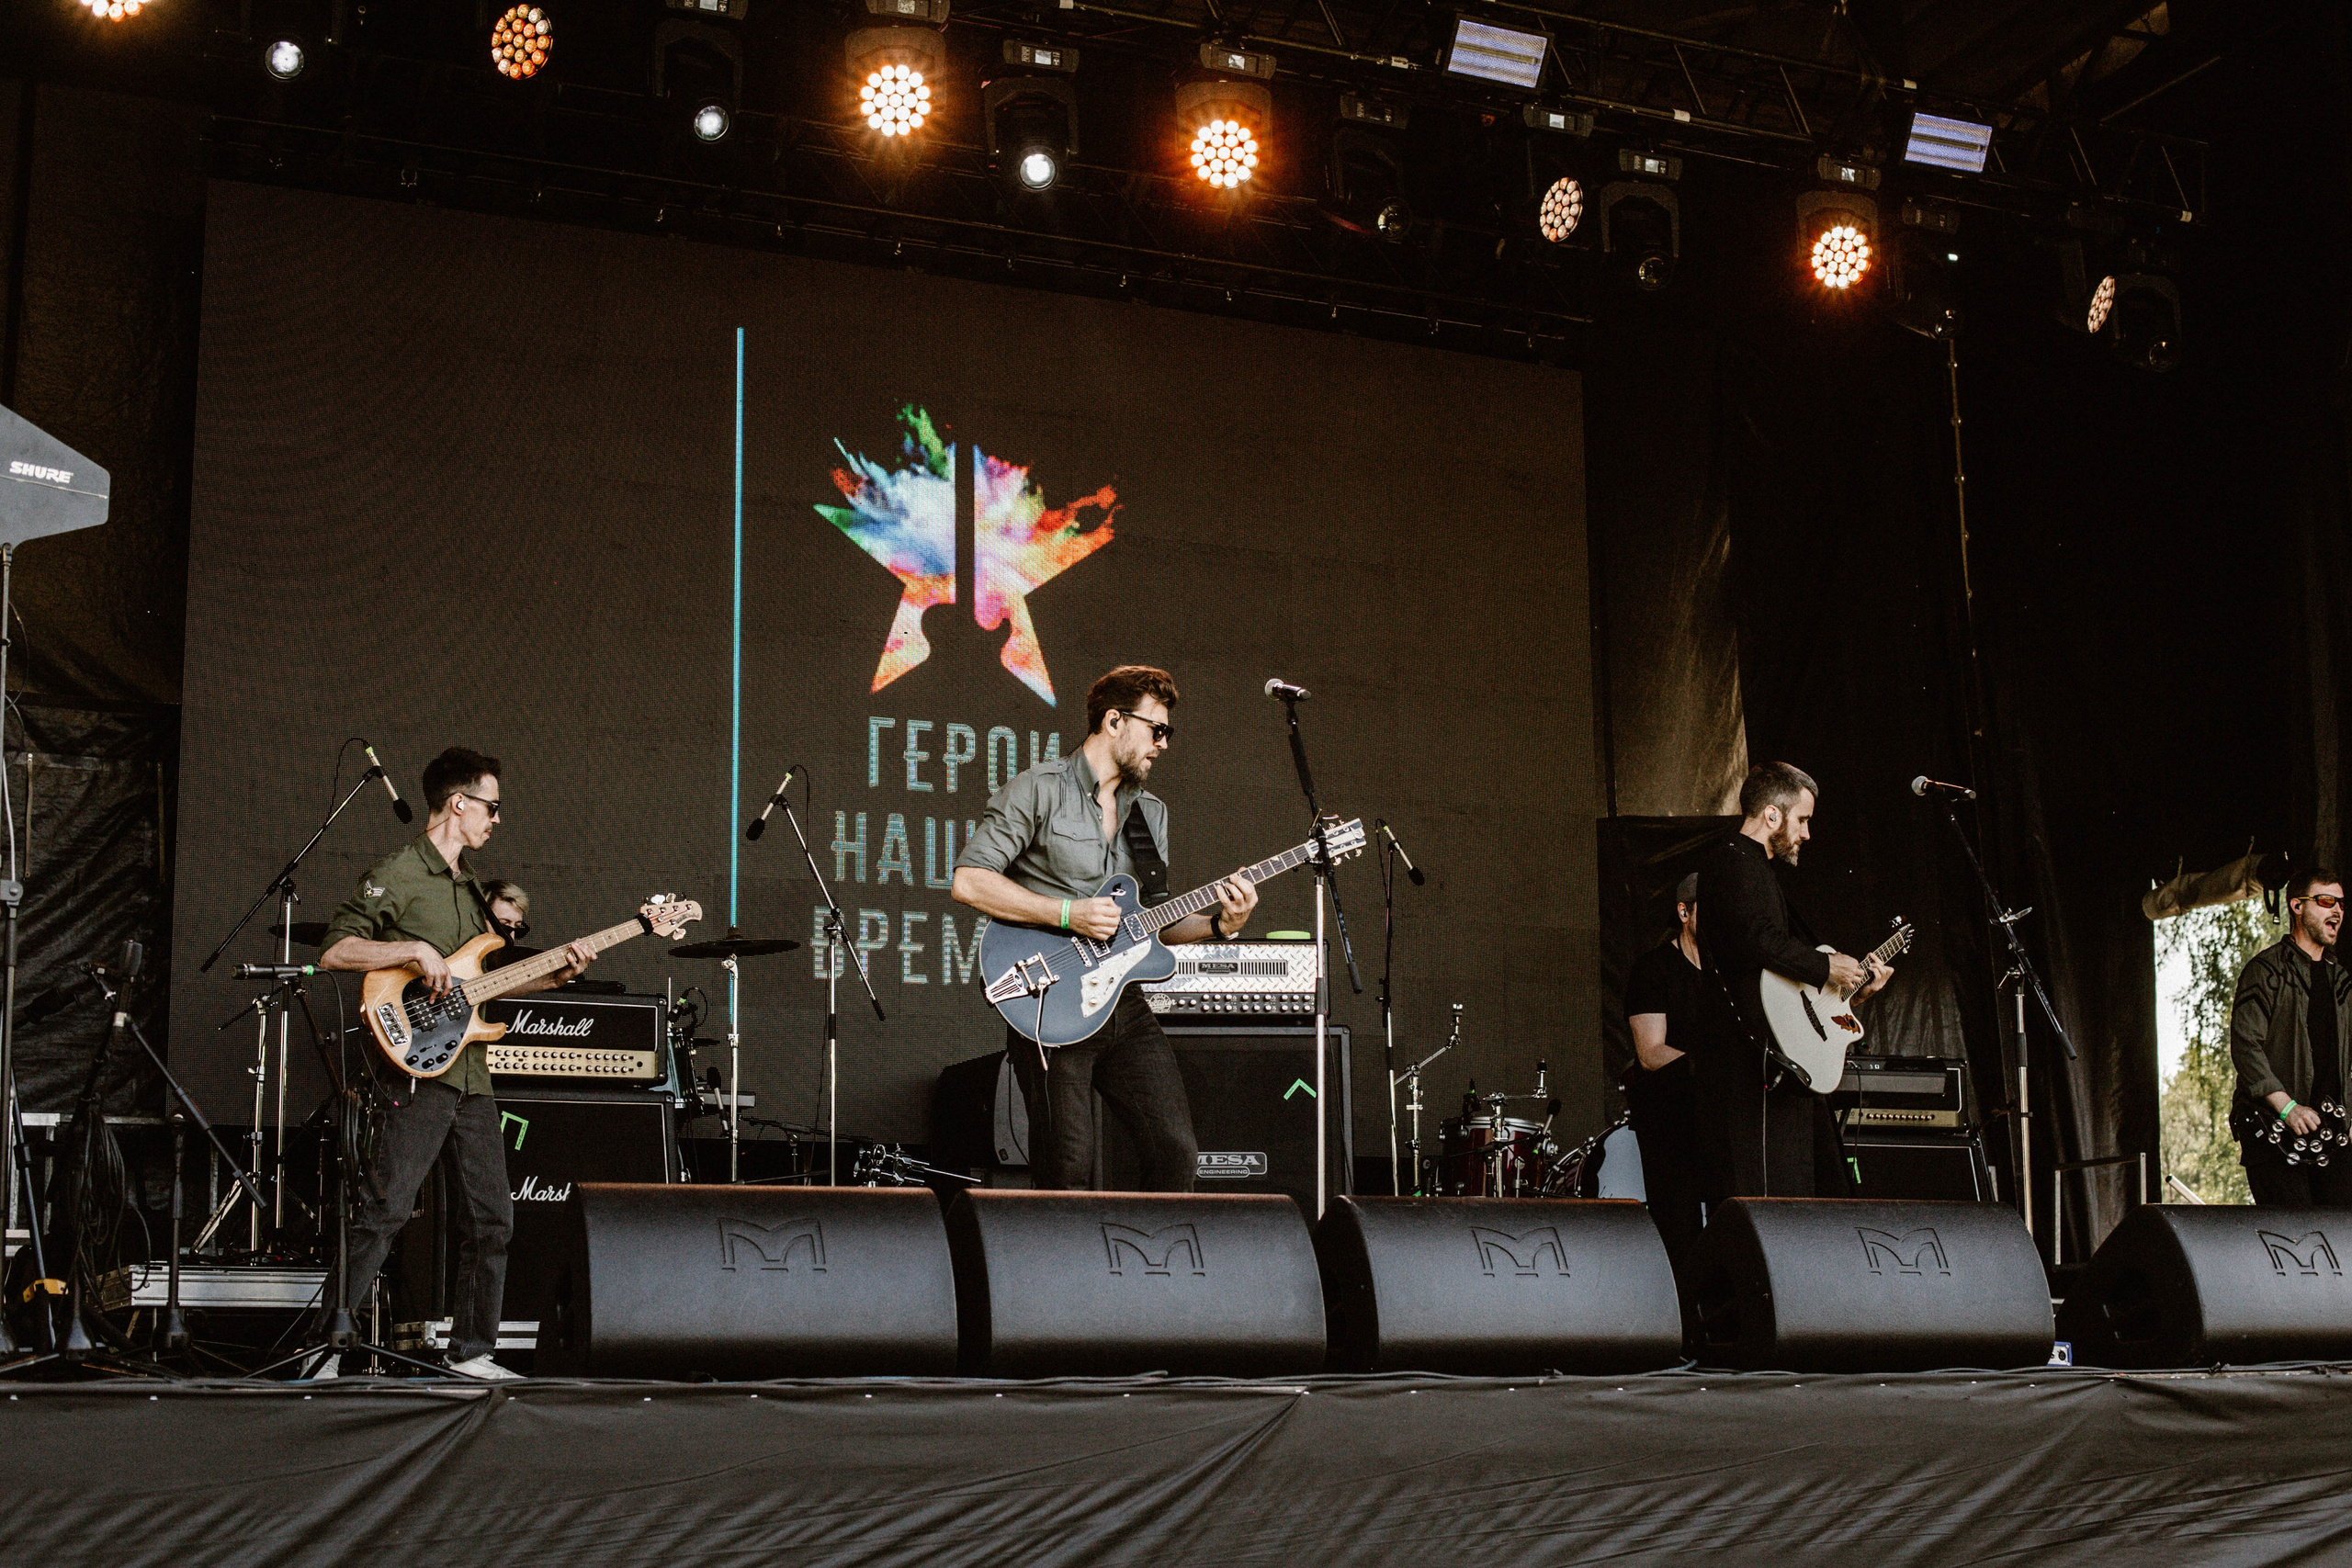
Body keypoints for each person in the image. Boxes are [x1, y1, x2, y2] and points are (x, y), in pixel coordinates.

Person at [312, 748, 595, 1379]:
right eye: (491, 806)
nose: (496, 819)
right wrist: (412, 948)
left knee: (493, 1217)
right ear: (458, 802)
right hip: (415, 1069)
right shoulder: (399, 872)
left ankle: (472, 1352)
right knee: (385, 1211)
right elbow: (335, 950)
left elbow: (480, 985)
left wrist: (554, 977)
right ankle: (326, 1347)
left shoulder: (473, 889)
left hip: (470, 1072)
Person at [952, 665, 1260, 1190]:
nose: (1163, 745)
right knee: (1068, 1164)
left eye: (1169, 733)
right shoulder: (1039, 789)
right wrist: (1067, 914)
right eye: (1156, 730)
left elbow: (1153, 923)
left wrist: (1220, 925)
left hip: (1123, 1006)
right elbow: (970, 882)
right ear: (1114, 721)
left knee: (1176, 1153)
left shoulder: (1150, 814)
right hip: (1048, 999)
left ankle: (1149, 1268)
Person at [1693, 761, 1891, 1198]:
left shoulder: (1758, 869)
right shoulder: (1730, 861)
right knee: (1769, 1190)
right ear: (1772, 815)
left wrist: (1850, 990)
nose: (1806, 834)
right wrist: (1826, 968)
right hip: (1750, 1059)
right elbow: (1757, 942)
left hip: (1780, 1054)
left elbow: (1783, 977)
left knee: (1810, 1185)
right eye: (1802, 820)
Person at [1623, 873, 1727, 1283]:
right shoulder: (1653, 969)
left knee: (1729, 1219)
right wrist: (1715, 1071)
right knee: (1679, 1228)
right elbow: (1650, 1053)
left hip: (1717, 1118)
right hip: (1669, 1119)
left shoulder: (1728, 976)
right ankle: (1685, 1332)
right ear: (1684, 912)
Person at [2230, 868, 2352, 1205]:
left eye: (2341, 903)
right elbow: (2245, 1046)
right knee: (2294, 1245)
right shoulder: (2266, 970)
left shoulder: (2341, 980)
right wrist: (2288, 1109)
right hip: (2276, 1136)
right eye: (2326, 900)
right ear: (2297, 906)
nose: (2337, 910)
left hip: (2333, 1139)